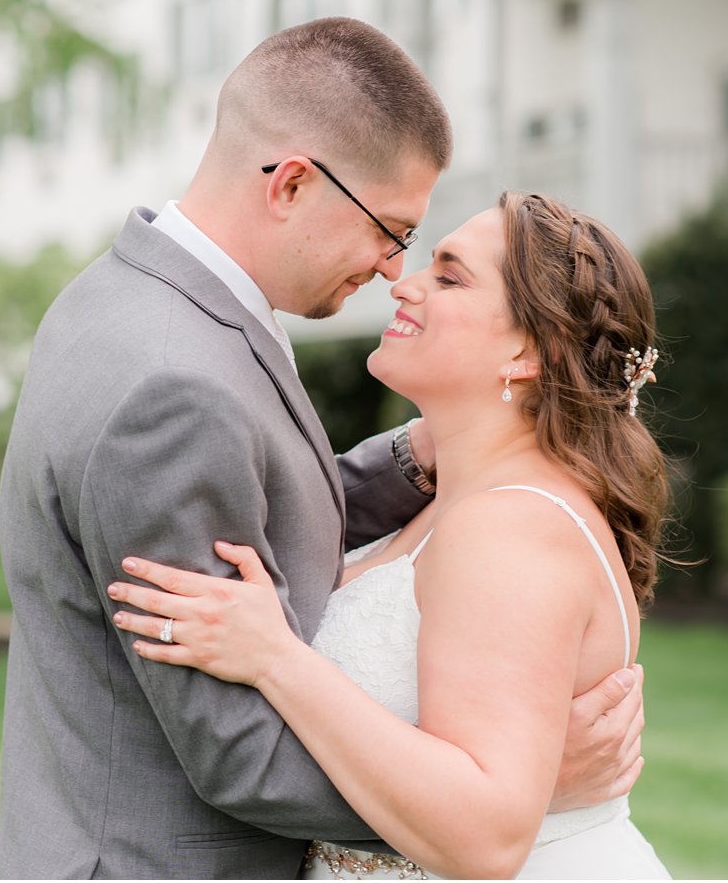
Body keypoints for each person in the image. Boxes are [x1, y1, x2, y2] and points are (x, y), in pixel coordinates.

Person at [0, 18, 646, 879]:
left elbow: (257, 507)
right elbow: (237, 748)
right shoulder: (173, 380)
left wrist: (427, 452)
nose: (391, 271)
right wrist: (522, 792)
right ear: (294, 184)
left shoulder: (126, 300)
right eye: (392, 230)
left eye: (431, 261)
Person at [109, 192, 672, 879]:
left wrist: (274, 658)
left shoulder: (509, 529)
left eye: (449, 275)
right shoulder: (460, 502)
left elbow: (485, 839)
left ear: (530, 351)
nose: (404, 285)